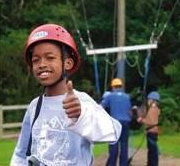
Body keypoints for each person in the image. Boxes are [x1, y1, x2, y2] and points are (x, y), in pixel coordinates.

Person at [10, 23, 122, 166]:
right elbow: (21, 153)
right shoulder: (34, 107)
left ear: (67, 63)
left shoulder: (80, 101)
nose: (41, 64)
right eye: (35, 60)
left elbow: (114, 131)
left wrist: (82, 114)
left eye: (49, 57)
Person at [101, 78, 132, 166]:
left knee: (114, 145)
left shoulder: (109, 96)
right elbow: (129, 111)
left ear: (113, 87)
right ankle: (124, 164)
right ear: (121, 87)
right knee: (124, 145)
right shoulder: (127, 96)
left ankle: (111, 164)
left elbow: (101, 107)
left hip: (115, 123)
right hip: (126, 122)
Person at [137, 91, 161, 166]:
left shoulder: (152, 109)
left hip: (151, 131)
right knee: (151, 150)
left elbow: (150, 122)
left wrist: (141, 120)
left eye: (149, 100)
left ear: (153, 101)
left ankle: (152, 164)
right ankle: (150, 163)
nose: (148, 101)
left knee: (152, 150)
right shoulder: (155, 109)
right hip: (152, 131)